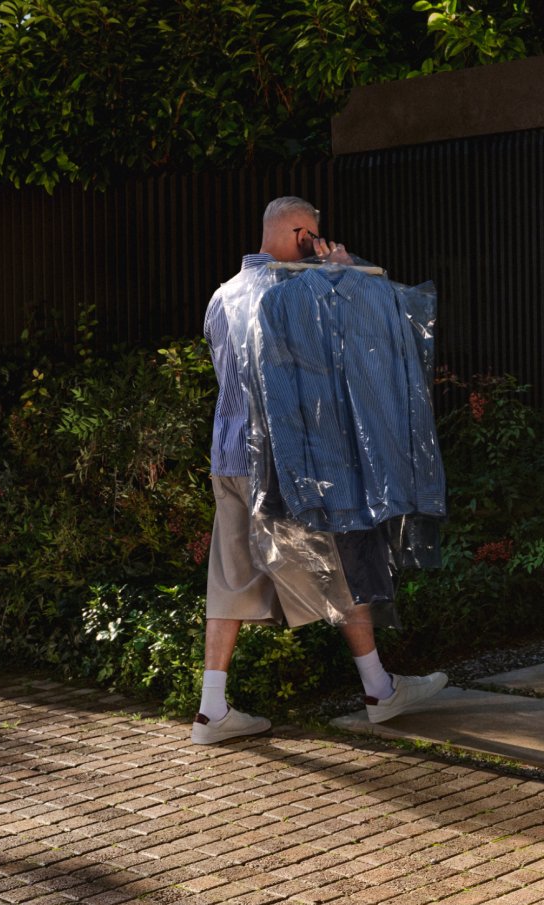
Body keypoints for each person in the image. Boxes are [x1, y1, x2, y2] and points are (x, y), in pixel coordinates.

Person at [193, 196, 447, 746]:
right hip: (287, 462)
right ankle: (380, 689)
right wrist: (342, 278)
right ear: (301, 232)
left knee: (230, 577)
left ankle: (212, 709)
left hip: (230, 456)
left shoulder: (223, 295)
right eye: (313, 236)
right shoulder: (292, 291)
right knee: (340, 563)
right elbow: (327, 361)